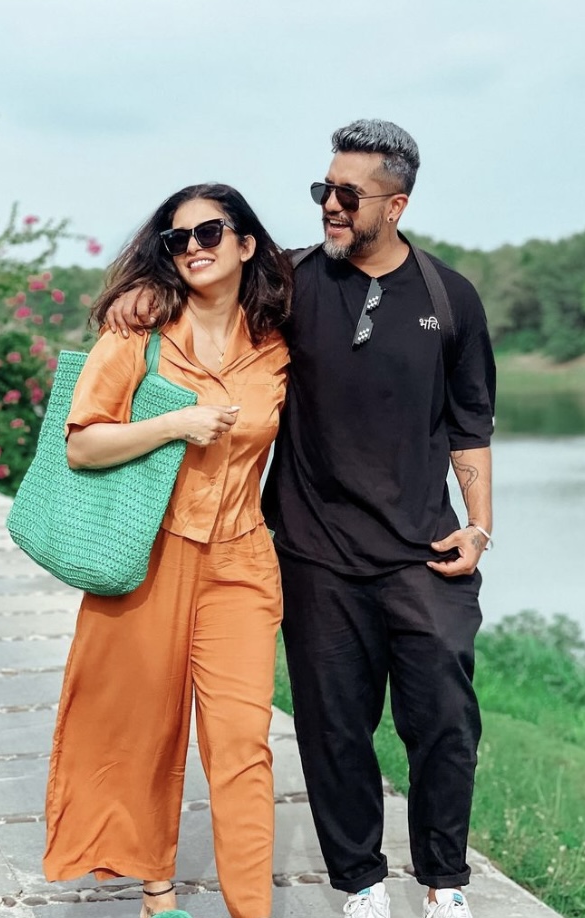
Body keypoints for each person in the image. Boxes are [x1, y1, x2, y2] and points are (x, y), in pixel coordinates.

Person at [105, 119, 496, 918]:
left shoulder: (448, 298)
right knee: (332, 727)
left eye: (348, 194)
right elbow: (206, 290)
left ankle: (444, 882)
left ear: (396, 205)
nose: (330, 205)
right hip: (315, 551)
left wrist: (480, 524)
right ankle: (360, 883)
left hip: (423, 549)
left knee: (446, 719)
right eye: (324, 188)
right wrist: (145, 294)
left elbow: (470, 425)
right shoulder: (287, 284)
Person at [43, 183, 292, 918]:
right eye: (178, 239)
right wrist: (175, 423)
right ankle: (159, 895)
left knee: (243, 744)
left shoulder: (279, 346)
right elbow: (83, 444)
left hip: (241, 563)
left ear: (246, 243)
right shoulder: (139, 334)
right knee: (142, 732)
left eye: (209, 232)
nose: (193, 248)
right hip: (147, 558)